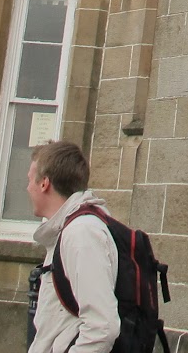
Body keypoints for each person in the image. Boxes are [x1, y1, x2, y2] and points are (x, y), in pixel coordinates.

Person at [27, 140, 121, 353]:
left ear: (44, 183)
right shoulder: (69, 230)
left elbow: (102, 327)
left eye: (29, 180)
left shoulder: (81, 233)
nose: (27, 188)